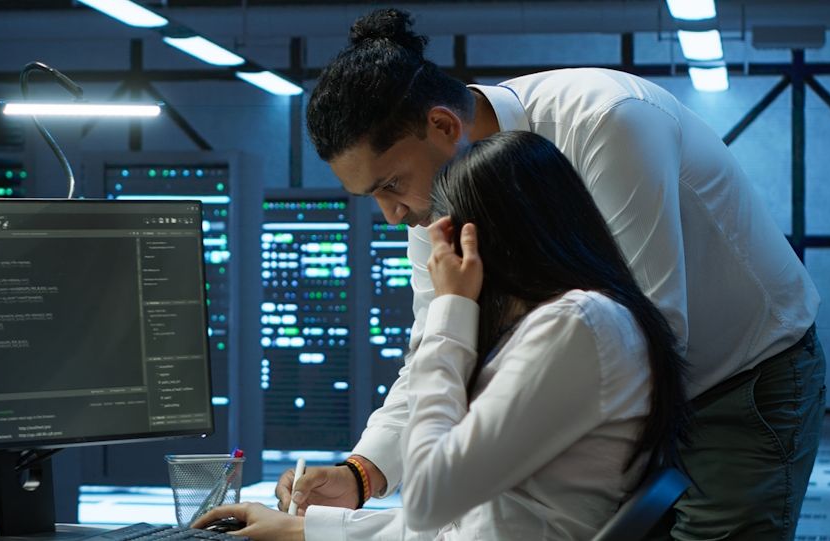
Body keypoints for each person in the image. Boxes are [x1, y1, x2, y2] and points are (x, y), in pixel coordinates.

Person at [232, 7, 822, 540]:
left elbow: (651, 336)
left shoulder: (606, 121)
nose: (393, 216)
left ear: (442, 126)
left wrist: (487, 442)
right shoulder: (435, 203)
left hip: (740, 375)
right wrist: (363, 473)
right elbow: (435, 351)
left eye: (390, 185)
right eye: (371, 198)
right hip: (604, 396)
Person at [195, 131, 692, 539]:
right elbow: (460, 524)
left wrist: (450, 309)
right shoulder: (588, 320)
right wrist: (303, 531)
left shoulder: (577, 324)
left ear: (487, 241)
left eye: (445, 237)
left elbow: (432, 499)